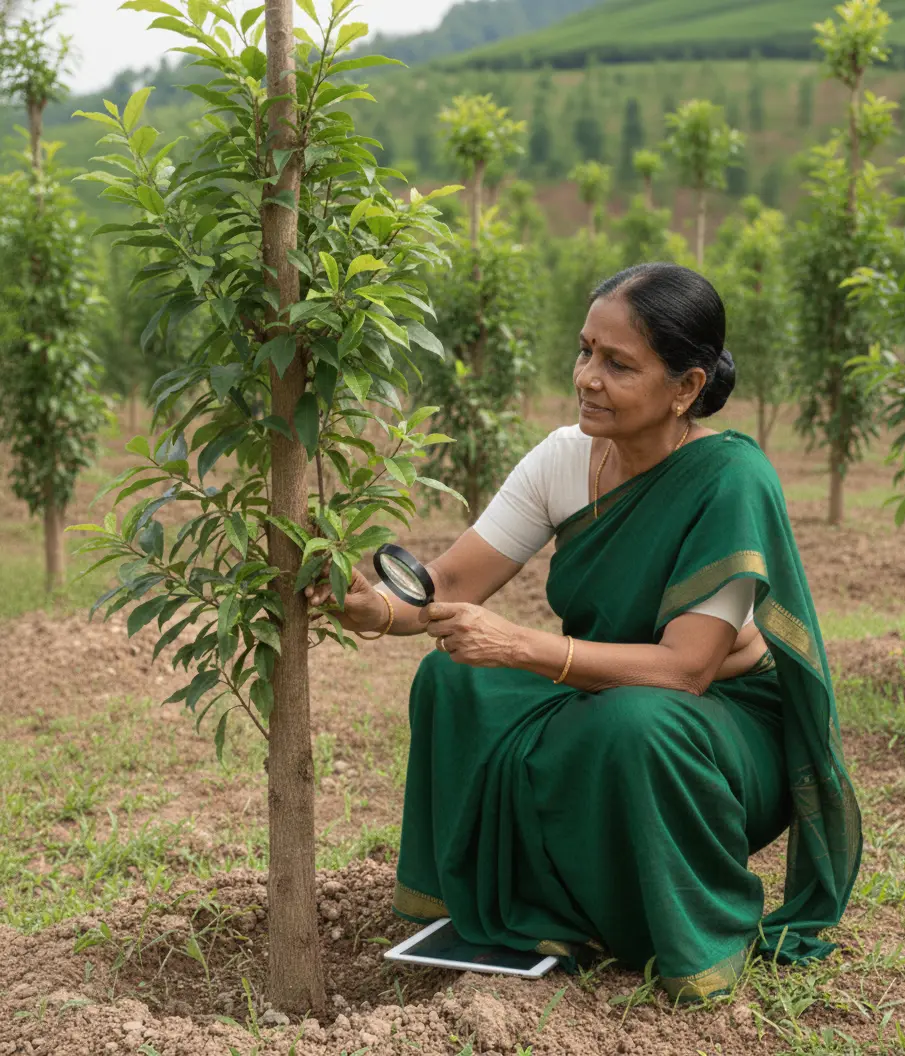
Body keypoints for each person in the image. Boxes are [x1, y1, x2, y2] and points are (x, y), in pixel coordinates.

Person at [307, 262, 861, 1002]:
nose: (587, 378)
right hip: (602, 697)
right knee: (454, 676)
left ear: (686, 388)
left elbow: (685, 670)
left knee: (635, 723)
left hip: (718, 737)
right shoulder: (565, 458)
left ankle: (655, 926)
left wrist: (520, 645)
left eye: (618, 364)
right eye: (584, 351)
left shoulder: (728, 479)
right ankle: (516, 907)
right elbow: (448, 585)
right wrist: (375, 609)